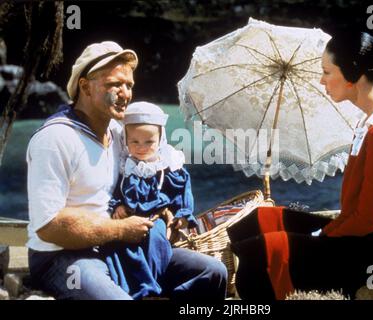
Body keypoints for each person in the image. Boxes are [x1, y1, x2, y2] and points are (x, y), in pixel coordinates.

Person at [227, 31, 373, 300]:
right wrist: (325, 232)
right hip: (369, 235)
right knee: (261, 220)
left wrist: (323, 236)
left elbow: (370, 218)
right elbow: (360, 212)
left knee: (262, 252)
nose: (321, 80)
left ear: (353, 75)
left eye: (327, 72)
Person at [26, 41, 227, 300]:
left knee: (212, 272)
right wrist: (119, 230)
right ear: (85, 86)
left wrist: (167, 212)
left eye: (129, 85)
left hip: (124, 248)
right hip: (63, 255)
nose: (126, 93)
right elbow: (48, 226)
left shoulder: (120, 134)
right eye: (115, 84)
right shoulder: (55, 139)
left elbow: (155, 175)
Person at [100, 101, 198, 299]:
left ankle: (151, 283)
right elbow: (114, 191)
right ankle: (130, 285)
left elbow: (181, 191)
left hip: (156, 217)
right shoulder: (125, 166)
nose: (141, 148)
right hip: (130, 218)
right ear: (125, 140)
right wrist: (117, 205)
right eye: (134, 142)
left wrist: (182, 214)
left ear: (160, 139)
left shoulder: (167, 165)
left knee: (155, 240)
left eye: (149, 142)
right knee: (118, 247)